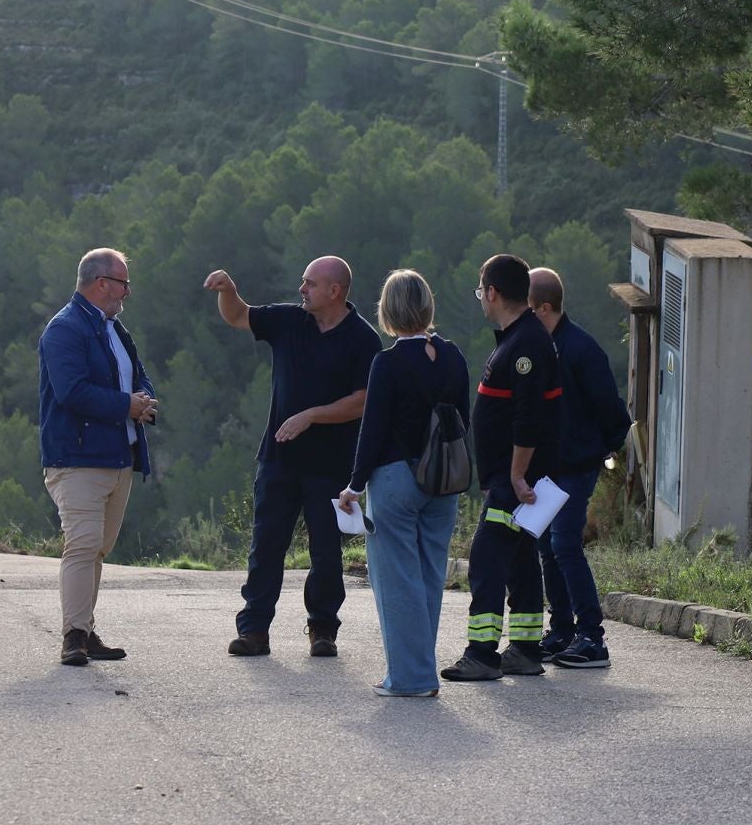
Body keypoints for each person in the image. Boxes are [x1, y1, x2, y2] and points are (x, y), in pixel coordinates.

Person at [204, 257, 382, 657]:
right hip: (278, 461)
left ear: (334, 291)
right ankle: (253, 630)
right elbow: (238, 316)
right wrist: (229, 290)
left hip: (331, 466)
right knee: (266, 545)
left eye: (310, 283)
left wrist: (312, 416)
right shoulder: (287, 320)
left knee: (325, 552)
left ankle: (323, 630)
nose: (302, 289)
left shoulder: (362, 339)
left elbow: (363, 401)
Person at [336, 269, 470, 698]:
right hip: (444, 478)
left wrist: (354, 485)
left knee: (396, 580)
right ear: (428, 306)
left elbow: (372, 430)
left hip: (396, 479)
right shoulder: (454, 357)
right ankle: (420, 669)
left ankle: (410, 677)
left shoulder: (388, 362)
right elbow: (462, 422)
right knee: (429, 577)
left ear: (388, 310)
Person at [442, 254, 562, 683]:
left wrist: (515, 475)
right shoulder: (520, 337)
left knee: (487, 557)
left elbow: (528, 418)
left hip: (516, 481)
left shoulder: (525, 343)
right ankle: (526, 649)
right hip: (516, 478)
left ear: (492, 292)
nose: (481, 298)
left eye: (481, 291)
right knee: (520, 556)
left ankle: (481, 653)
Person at [38, 248, 158, 667]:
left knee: (98, 549)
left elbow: (137, 374)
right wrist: (127, 405)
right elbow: (72, 391)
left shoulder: (116, 330)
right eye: (123, 282)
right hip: (77, 458)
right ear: (101, 283)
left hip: (117, 457)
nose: (128, 291)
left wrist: (144, 398)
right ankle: (73, 635)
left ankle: (84, 631)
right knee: (83, 544)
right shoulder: (64, 330)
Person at [527, 267, 632, 669]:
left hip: (575, 465)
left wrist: (595, 452)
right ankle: (562, 630)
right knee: (545, 546)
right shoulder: (538, 348)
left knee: (564, 544)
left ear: (546, 308)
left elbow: (612, 413)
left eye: (528, 308)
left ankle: (592, 637)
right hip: (547, 469)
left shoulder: (580, 349)